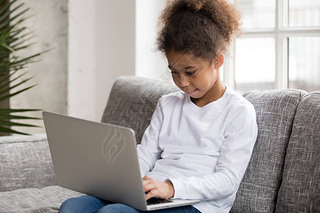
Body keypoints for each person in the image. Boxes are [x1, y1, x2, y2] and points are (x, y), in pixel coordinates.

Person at [59, 0, 258, 212]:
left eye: (190, 72)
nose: (182, 82)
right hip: (153, 193)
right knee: (73, 206)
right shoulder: (168, 104)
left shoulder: (238, 111)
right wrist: (120, 179)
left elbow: (227, 181)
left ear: (217, 61)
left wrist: (171, 188)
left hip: (196, 204)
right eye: (174, 72)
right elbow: (146, 153)